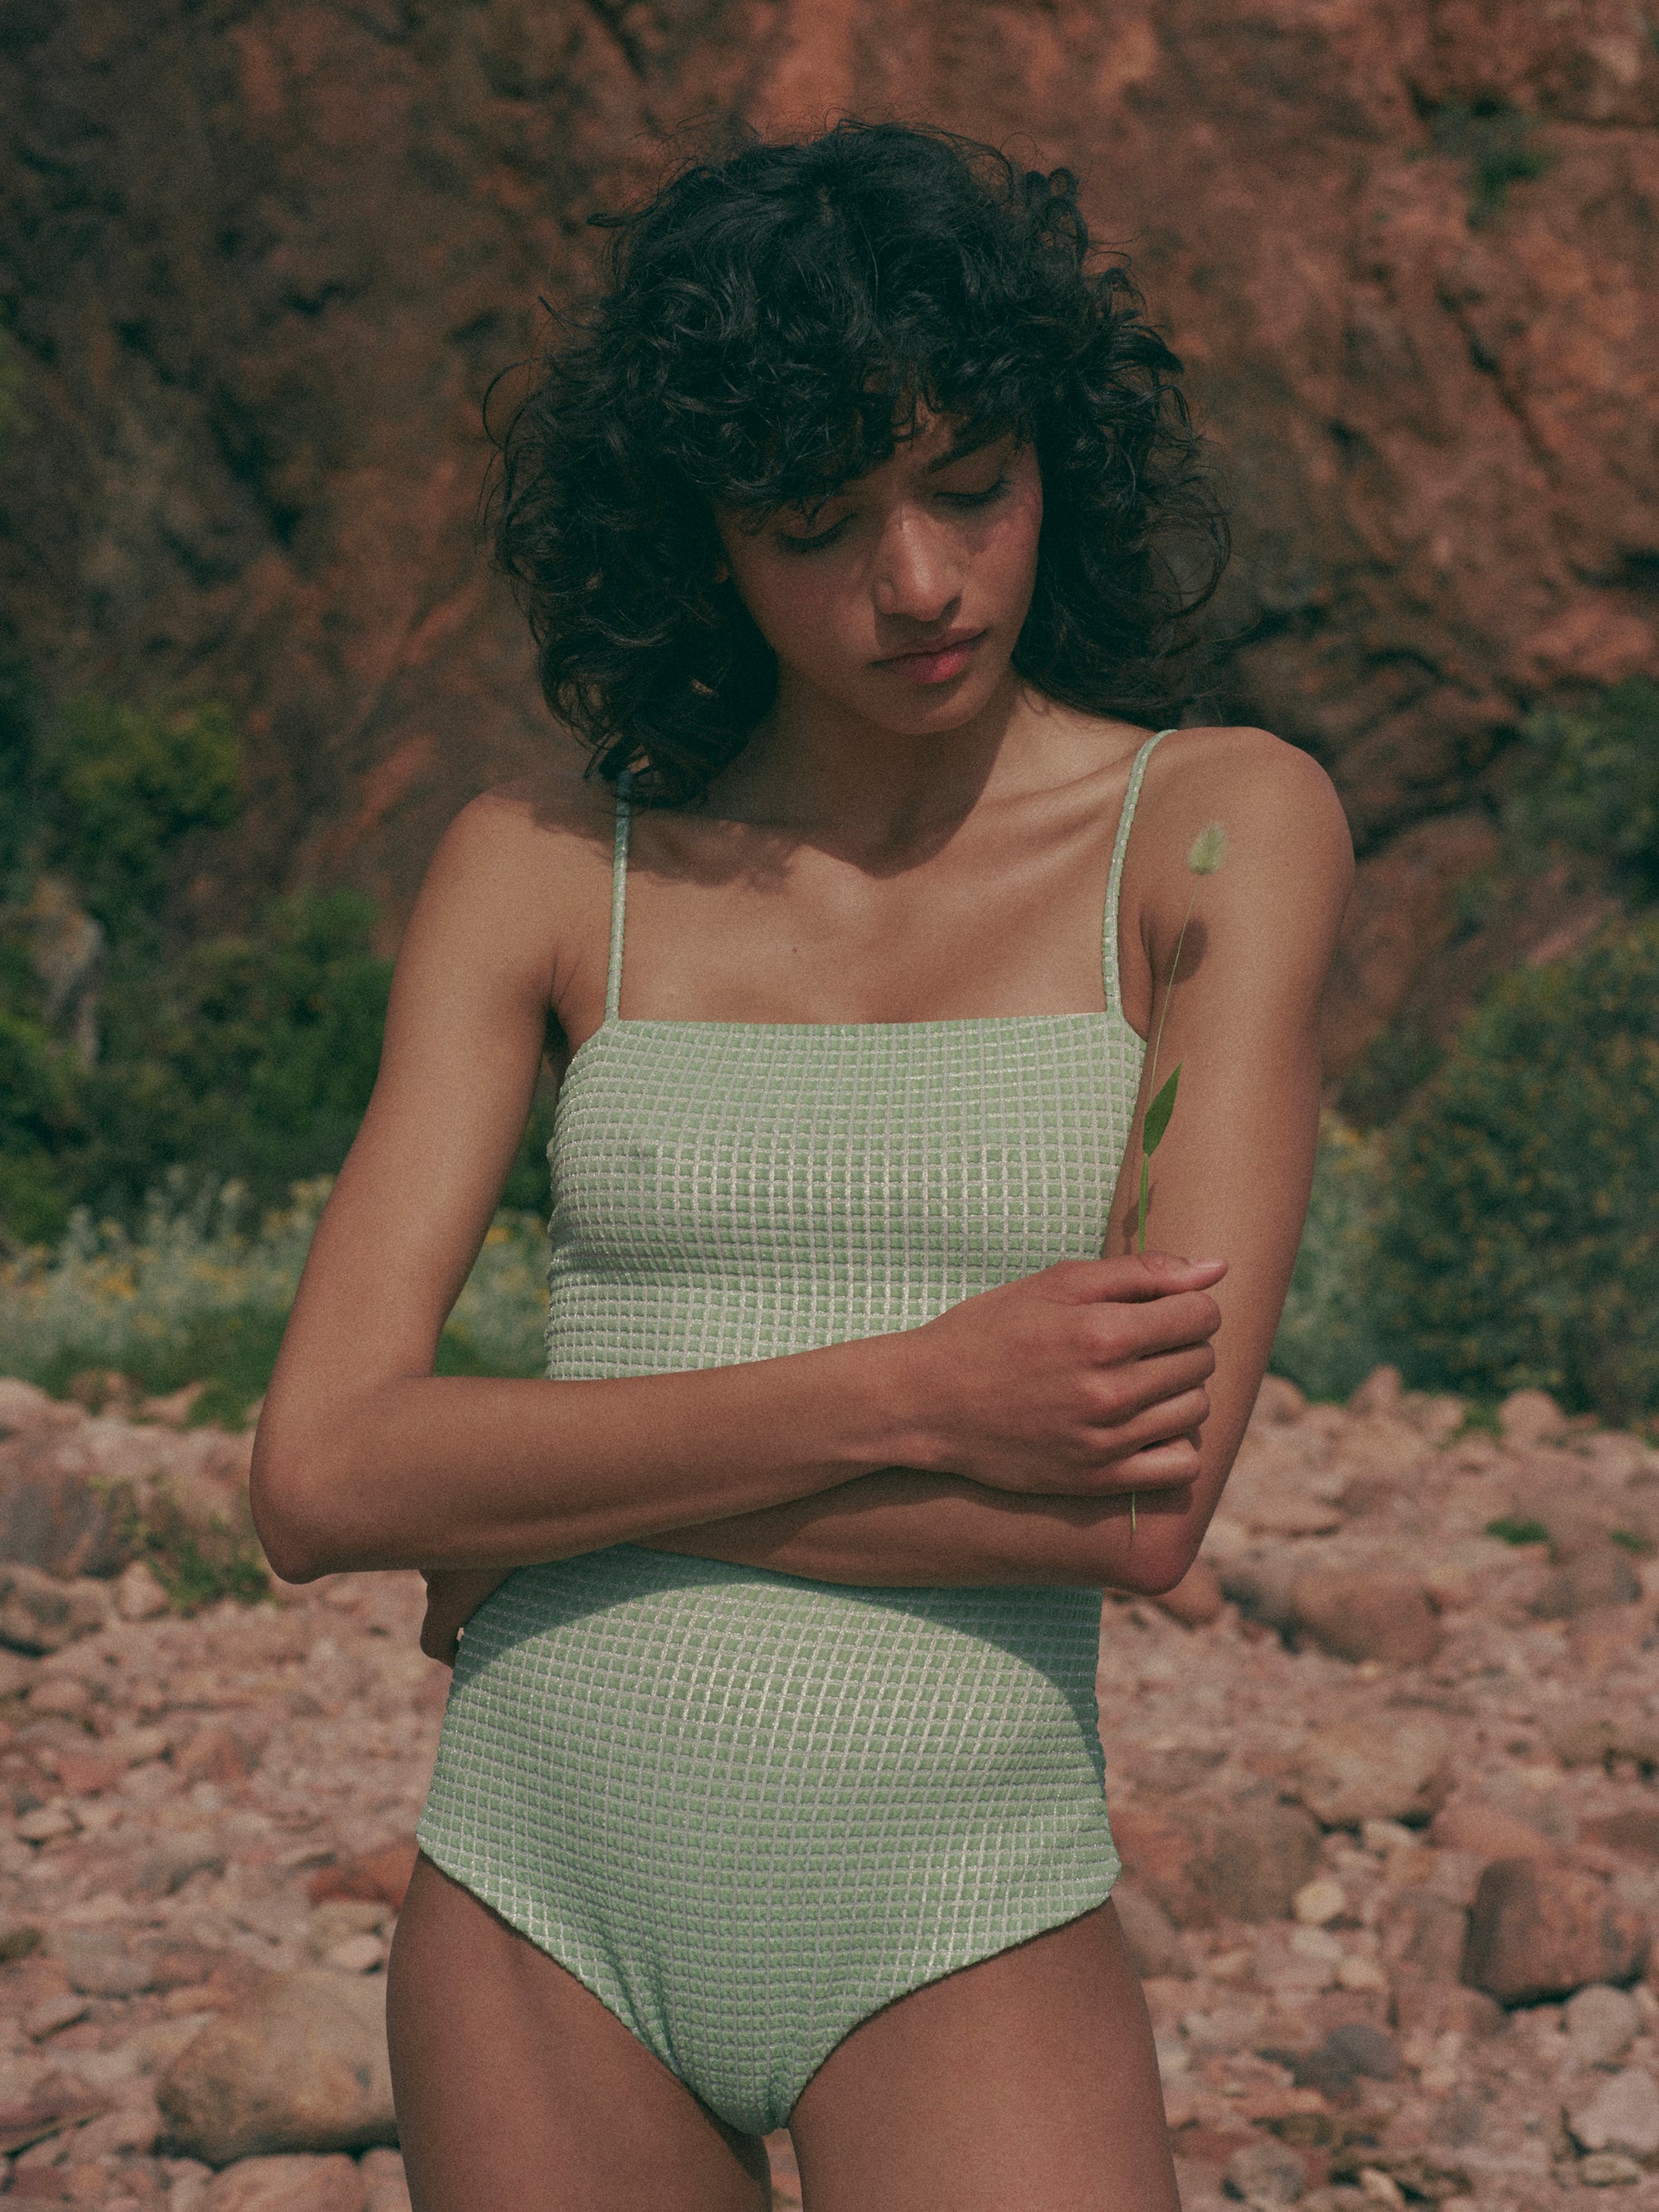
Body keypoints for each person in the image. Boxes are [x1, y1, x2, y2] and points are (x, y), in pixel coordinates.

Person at [250, 119, 1352, 2212]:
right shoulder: (542, 872)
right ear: (702, 538)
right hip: (533, 1891)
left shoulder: (1214, 831)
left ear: (1055, 459)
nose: (918, 582)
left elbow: (1134, 1506)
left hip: (953, 1900)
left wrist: (536, 1501)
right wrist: (919, 1393)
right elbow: (315, 1474)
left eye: (968, 485)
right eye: (815, 519)